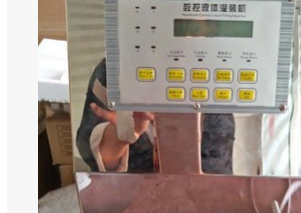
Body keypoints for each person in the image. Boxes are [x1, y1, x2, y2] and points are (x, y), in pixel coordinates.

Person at [77, 59, 235, 174]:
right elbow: (92, 156)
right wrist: (120, 137)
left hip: (208, 198)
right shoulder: (112, 70)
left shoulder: (218, 71)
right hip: (132, 197)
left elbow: (221, 159)